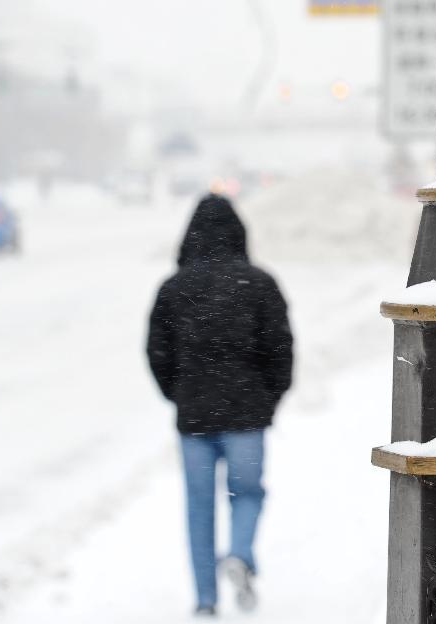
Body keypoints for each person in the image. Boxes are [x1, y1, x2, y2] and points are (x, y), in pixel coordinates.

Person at [146, 194, 293, 616]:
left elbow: (158, 352)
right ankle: (240, 554)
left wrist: (179, 393)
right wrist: (269, 397)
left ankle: (206, 600)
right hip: (246, 414)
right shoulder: (259, 284)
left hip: (194, 417)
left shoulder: (174, 288)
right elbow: (280, 349)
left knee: (198, 507)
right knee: (247, 493)